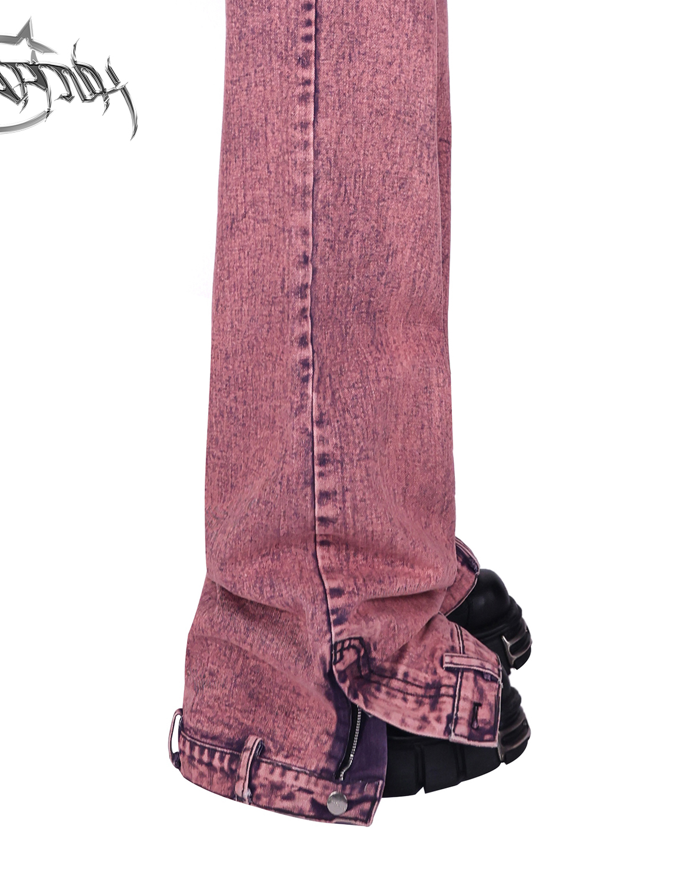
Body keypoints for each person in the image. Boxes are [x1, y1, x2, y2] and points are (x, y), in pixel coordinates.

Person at [168, 0, 532, 825]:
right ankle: (312, 642)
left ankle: (373, 554)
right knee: (338, 20)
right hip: (323, 655)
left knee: (376, 30)